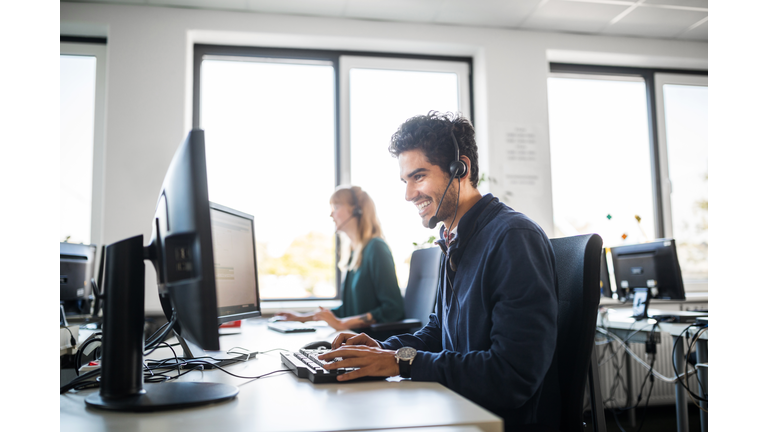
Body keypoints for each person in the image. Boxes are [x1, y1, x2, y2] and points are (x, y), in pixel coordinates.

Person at [317, 112, 561, 432]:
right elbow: (437, 334)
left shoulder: (512, 237)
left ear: (461, 169)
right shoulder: (455, 240)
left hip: (492, 421)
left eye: (418, 176)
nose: (408, 194)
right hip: (455, 407)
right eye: (406, 181)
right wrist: (384, 348)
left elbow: (511, 375)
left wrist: (399, 363)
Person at [275, 186, 405, 334]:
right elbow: (347, 310)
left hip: (374, 343)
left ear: (356, 210)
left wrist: (343, 324)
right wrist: (302, 318)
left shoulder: (376, 248)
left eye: (336, 207)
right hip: (354, 338)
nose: (331, 214)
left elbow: (393, 309)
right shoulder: (355, 253)